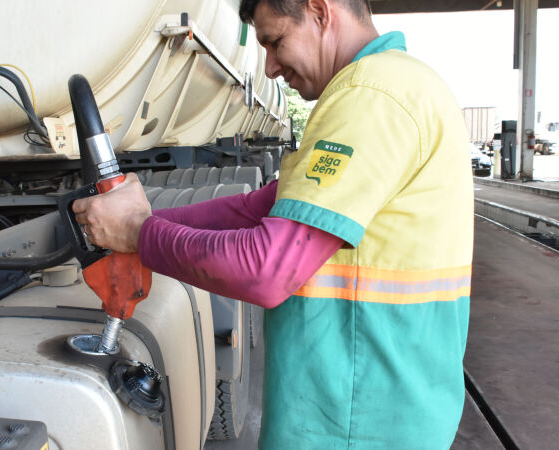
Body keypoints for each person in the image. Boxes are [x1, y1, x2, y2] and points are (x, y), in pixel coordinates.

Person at [72, 0, 473, 447]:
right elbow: (255, 209)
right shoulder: (402, 84)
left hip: (355, 422)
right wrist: (136, 220)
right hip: (379, 405)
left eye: (276, 41)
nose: (269, 67)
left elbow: (267, 270)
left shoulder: (370, 96)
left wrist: (138, 233)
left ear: (320, 11)